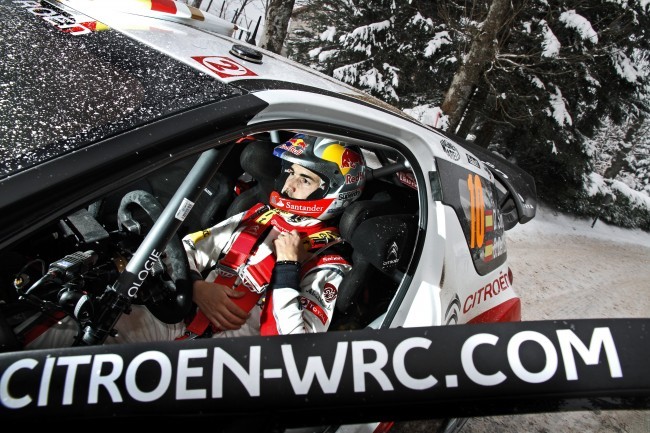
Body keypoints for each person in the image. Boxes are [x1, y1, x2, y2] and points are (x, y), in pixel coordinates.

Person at [102, 132, 367, 342]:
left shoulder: (329, 261)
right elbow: (186, 250)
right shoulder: (259, 215)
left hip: (232, 357)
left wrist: (287, 268)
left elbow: (293, 348)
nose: (289, 186)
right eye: (291, 173)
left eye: (305, 180)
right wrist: (197, 287)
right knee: (98, 325)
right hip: (179, 319)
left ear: (336, 191)